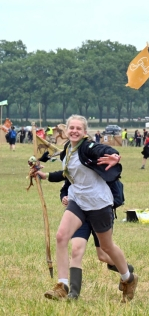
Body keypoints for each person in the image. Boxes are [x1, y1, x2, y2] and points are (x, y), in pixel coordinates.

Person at [36, 115, 138, 302]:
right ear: (66, 130)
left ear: (84, 132)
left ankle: (128, 278)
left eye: (78, 128)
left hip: (98, 202)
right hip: (78, 200)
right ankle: (62, 285)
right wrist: (45, 175)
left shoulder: (88, 147)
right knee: (61, 236)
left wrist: (115, 155)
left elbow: (104, 149)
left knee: (106, 247)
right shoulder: (68, 149)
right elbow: (67, 173)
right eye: (71, 128)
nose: (74, 131)